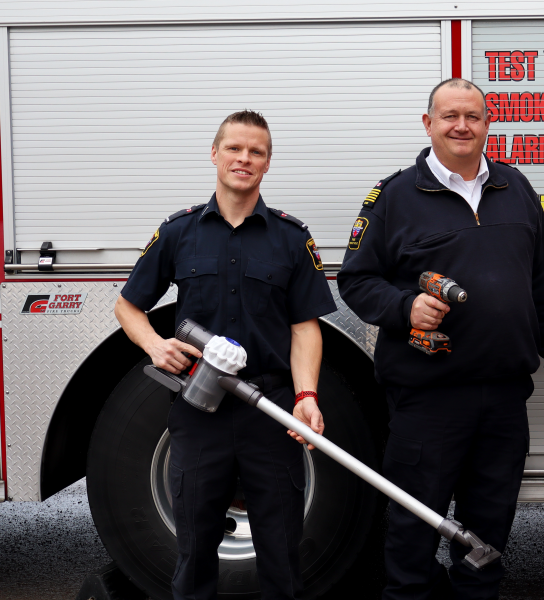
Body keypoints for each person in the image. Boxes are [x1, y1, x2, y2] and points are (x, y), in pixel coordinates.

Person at [335, 78, 544, 600]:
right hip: (428, 400)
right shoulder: (394, 196)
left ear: (488, 124)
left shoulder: (516, 188)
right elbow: (354, 279)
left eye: (473, 116)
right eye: (449, 116)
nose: (461, 126)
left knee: (487, 538)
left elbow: (540, 281)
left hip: (505, 397)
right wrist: (405, 307)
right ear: (428, 124)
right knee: (413, 534)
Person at [114, 110, 337, 600]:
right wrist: (155, 345)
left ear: (268, 163)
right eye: (235, 148)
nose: (244, 158)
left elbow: (305, 329)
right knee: (194, 550)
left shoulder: (291, 238)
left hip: (271, 410)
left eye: (256, 151)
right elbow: (128, 307)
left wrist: (306, 396)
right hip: (199, 414)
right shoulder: (178, 232)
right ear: (214, 154)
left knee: (281, 551)